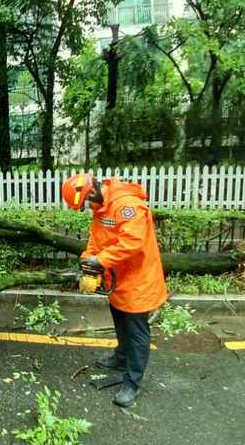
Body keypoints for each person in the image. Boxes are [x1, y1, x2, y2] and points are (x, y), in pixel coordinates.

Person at [61, 173, 167, 407]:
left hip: (138, 280)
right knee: (119, 318)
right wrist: (89, 261)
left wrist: (102, 260)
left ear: (90, 192)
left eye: (86, 203)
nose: (88, 208)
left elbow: (133, 242)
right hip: (117, 278)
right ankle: (121, 357)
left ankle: (133, 382)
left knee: (136, 332)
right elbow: (95, 241)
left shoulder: (128, 205)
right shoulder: (101, 209)